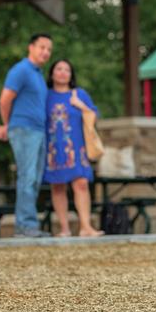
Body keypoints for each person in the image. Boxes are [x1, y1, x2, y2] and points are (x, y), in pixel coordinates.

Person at [0, 33, 53, 238]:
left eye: (48, 49)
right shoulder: (21, 70)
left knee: (35, 179)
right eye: (42, 47)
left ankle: (28, 225)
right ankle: (25, 226)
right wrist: (8, 124)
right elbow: (4, 100)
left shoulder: (37, 74)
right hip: (24, 130)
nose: (45, 52)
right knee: (27, 177)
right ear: (31, 47)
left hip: (38, 131)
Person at [43, 59, 104, 238]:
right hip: (54, 146)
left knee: (81, 184)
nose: (63, 72)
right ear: (52, 73)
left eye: (67, 70)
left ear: (71, 75)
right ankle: (64, 228)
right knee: (58, 187)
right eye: (59, 69)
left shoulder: (79, 94)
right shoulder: (45, 96)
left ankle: (86, 227)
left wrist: (81, 105)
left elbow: (94, 116)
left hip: (77, 147)